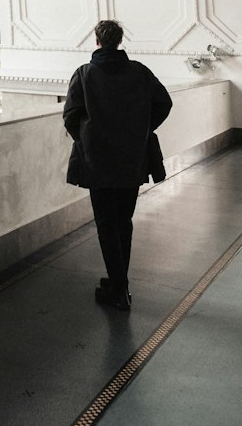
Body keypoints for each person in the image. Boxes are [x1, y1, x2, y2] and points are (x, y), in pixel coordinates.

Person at [63, 19, 172, 313]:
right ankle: (118, 283)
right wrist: (141, 130)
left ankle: (119, 287)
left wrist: (86, 138)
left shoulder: (84, 75)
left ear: (97, 41)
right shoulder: (139, 72)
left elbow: (71, 116)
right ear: (119, 41)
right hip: (131, 160)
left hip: (97, 161)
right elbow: (164, 103)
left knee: (105, 223)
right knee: (123, 222)